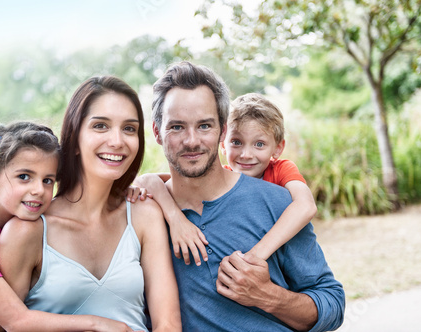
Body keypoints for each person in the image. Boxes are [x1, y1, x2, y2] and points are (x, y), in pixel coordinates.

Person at [141, 61, 345, 331]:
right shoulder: (142, 213)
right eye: (177, 127)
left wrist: (268, 297)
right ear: (157, 132)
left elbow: (333, 304)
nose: (191, 141)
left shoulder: (279, 203)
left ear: (223, 131)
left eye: (204, 126)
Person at [0, 76, 181, 332]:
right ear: (75, 137)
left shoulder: (143, 215)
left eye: (129, 128)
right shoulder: (29, 230)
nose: (117, 141)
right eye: (101, 126)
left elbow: (168, 325)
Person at [0, 122, 136, 331]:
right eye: (24, 177)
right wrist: (97, 322)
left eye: (47, 180)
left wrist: (123, 192)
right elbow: (15, 321)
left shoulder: (31, 220)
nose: (39, 190)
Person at [134, 93, 317, 265]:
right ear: (222, 142)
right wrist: (176, 219)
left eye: (259, 144)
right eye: (236, 142)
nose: (246, 155)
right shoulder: (225, 177)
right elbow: (151, 180)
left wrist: (254, 256)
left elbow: (306, 206)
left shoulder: (281, 169)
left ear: (277, 148)